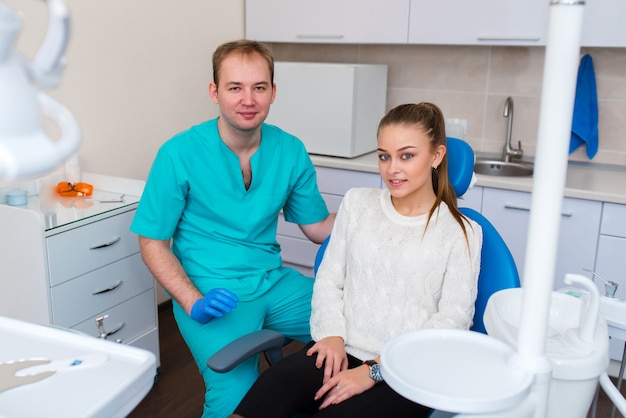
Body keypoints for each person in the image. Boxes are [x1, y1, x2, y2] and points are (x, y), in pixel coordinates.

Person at [230, 102, 483, 418]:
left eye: (407, 156)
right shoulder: (357, 204)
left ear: (436, 156)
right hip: (339, 349)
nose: (392, 168)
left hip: (407, 371)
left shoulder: (461, 231)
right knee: (263, 398)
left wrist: (374, 370)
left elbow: (452, 322)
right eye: (384, 156)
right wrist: (331, 335)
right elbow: (329, 279)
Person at [130, 39, 335, 418]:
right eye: (235, 87)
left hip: (273, 282)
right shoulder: (178, 154)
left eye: (259, 87)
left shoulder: (290, 150)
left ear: (273, 92)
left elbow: (318, 226)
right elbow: (153, 243)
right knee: (237, 399)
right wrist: (194, 302)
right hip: (211, 293)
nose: (248, 99)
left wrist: (381, 213)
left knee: (355, 328)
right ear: (215, 92)